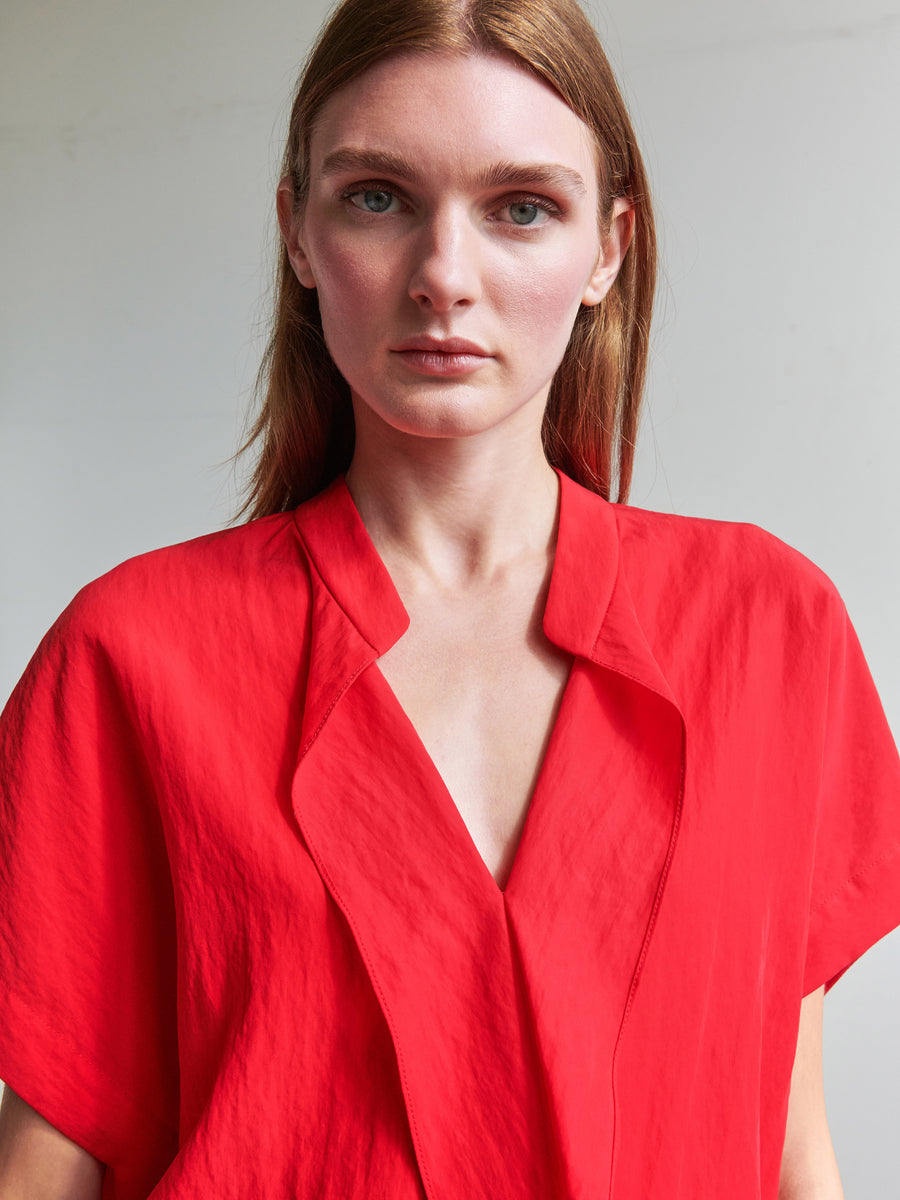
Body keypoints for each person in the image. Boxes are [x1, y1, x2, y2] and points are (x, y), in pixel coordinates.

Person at [1, 0, 898, 1197]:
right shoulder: (131, 657)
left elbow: (787, 1143)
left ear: (609, 249)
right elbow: (47, 1162)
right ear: (297, 233)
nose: (443, 276)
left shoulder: (768, 630)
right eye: (377, 196)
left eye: (522, 207)